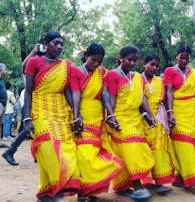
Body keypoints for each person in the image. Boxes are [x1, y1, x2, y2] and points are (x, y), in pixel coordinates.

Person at [23, 31, 80, 202]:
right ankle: (57, 193)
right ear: (46, 44)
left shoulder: (66, 65)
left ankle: (46, 192)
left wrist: (76, 115)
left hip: (61, 112)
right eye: (56, 43)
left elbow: (68, 91)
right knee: (48, 149)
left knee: (65, 150)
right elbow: (28, 91)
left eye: (62, 44)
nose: (60, 47)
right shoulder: (34, 62)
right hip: (39, 110)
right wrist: (27, 119)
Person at [70, 43, 123, 202]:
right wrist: (76, 116)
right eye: (93, 60)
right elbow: (75, 94)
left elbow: (105, 94)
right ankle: (82, 193)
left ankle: (90, 189)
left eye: (99, 61)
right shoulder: (75, 71)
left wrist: (111, 115)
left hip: (97, 117)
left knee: (94, 154)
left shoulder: (103, 73)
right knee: (83, 154)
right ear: (86, 55)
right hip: (81, 115)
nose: (96, 64)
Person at [107, 45, 155, 200]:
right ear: (120, 57)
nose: (132, 63)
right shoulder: (112, 75)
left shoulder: (138, 77)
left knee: (132, 151)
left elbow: (142, 98)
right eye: (129, 60)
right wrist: (111, 117)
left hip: (135, 119)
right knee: (130, 150)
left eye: (135, 60)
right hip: (120, 118)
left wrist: (148, 114)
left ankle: (123, 186)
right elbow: (111, 98)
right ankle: (138, 186)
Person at [164, 45, 195, 189]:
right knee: (182, 145)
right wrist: (170, 112)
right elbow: (169, 92)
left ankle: (181, 178)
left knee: (191, 144)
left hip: (191, 112)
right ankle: (191, 179)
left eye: (186, 58)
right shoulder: (170, 71)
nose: (184, 61)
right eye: (181, 57)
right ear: (176, 56)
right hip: (177, 110)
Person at [141, 53, 176, 194]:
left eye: (157, 65)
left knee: (160, 148)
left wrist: (170, 113)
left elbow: (166, 99)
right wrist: (146, 114)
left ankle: (160, 181)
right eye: (151, 64)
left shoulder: (160, 81)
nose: (154, 68)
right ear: (144, 63)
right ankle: (145, 182)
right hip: (141, 118)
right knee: (145, 149)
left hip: (159, 118)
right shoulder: (137, 79)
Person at [0, 63, 10, 149]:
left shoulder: (1, 80)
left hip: (3, 104)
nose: (5, 71)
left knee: (0, 123)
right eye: (4, 69)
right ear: (1, 70)